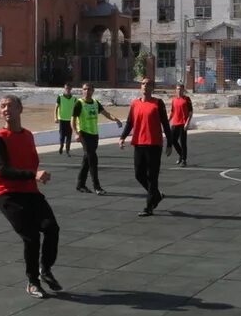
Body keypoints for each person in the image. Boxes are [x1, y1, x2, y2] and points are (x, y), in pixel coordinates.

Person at [0, 95, 62, 299]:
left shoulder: (28, 135)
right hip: (7, 194)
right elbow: (3, 170)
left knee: (51, 228)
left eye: (10, 106)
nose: (6, 110)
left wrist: (37, 176)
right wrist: (33, 174)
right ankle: (32, 282)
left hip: (29, 191)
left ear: (21, 109)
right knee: (31, 237)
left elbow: (31, 162)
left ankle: (45, 270)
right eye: (2, 106)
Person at [119, 78, 173, 217]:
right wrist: (122, 137)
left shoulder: (158, 103)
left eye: (148, 84)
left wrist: (170, 143)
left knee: (152, 177)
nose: (145, 86)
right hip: (139, 143)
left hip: (154, 144)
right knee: (139, 174)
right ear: (140, 87)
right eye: (143, 84)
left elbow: (165, 124)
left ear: (152, 88)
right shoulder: (135, 103)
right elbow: (130, 122)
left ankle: (149, 207)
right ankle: (156, 195)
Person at [72, 82, 122, 195]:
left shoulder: (95, 103)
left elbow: (106, 113)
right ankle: (97, 186)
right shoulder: (78, 103)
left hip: (94, 135)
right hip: (84, 134)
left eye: (89, 89)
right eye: (84, 89)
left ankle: (80, 184)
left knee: (87, 159)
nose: (87, 91)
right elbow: (73, 120)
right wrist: (76, 133)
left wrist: (116, 119)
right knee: (93, 159)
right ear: (82, 90)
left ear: (93, 91)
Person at [169, 83, 194, 167]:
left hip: (183, 124)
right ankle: (181, 155)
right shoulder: (174, 100)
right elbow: (172, 112)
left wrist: (187, 122)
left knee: (183, 142)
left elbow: (190, 113)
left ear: (183, 90)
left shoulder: (187, 99)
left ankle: (184, 160)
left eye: (180, 89)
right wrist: (167, 120)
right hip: (175, 123)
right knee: (173, 141)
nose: (179, 90)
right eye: (177, 89)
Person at [55, 82, 78, 156]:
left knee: (69, 136)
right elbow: (56, 108)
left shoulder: (74, 99)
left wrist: (76, 119)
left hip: (70, 120)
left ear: (71, 89)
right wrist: (55, 117)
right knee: (62, 136)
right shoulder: (60, 97)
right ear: (64, 89)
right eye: (66, 88)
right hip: (62, 119)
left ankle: (68, 150)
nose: (67, 90)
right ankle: (61, 146)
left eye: (69, 88)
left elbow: (76, 110)